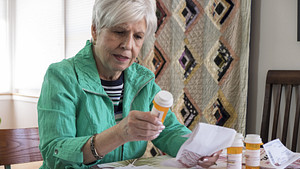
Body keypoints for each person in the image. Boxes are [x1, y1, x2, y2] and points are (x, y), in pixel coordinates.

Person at [37, 0, 221, 168]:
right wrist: (119, 133)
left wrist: (199, 150)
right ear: (95, 30)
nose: (128, 45)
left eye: (138, 37)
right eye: (119, 32)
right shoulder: (62, 76)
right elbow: (55, 156)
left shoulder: (143, 80)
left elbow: (169, 130)